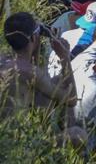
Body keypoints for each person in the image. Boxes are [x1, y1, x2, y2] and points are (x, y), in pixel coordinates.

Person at [0, 12, 86, 146]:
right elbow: (71, 99)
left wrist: (35, 46)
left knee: (58, 81)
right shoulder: (30, 72)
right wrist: (64, 57)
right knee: (78, 134)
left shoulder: (4, 59)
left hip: (6, 131)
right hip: (16, 143)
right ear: (34, 37)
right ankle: (62, 155)